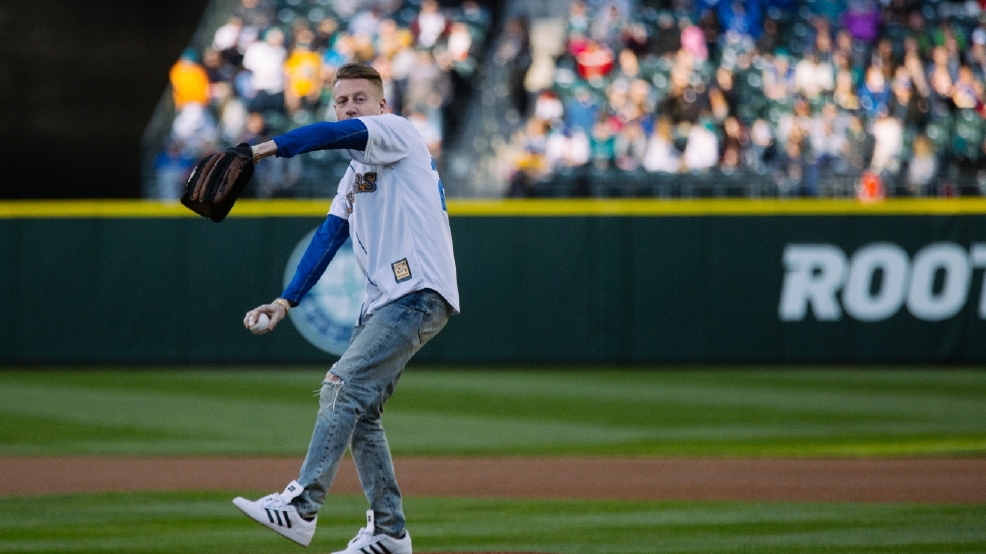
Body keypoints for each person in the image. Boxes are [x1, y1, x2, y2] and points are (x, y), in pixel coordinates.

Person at [231, 62, 459, 554]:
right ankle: (389, 533)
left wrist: (262, 148)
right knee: (362, 413)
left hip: (416, 291)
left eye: (360, 98)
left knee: (340, 387)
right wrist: (285, 300)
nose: (350, 107)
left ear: (382, 105)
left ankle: (302, 506)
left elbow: (334, 135)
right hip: (389, 301)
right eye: (341, 100)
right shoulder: (356, 174)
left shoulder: (396, 132)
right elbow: (328, 235)